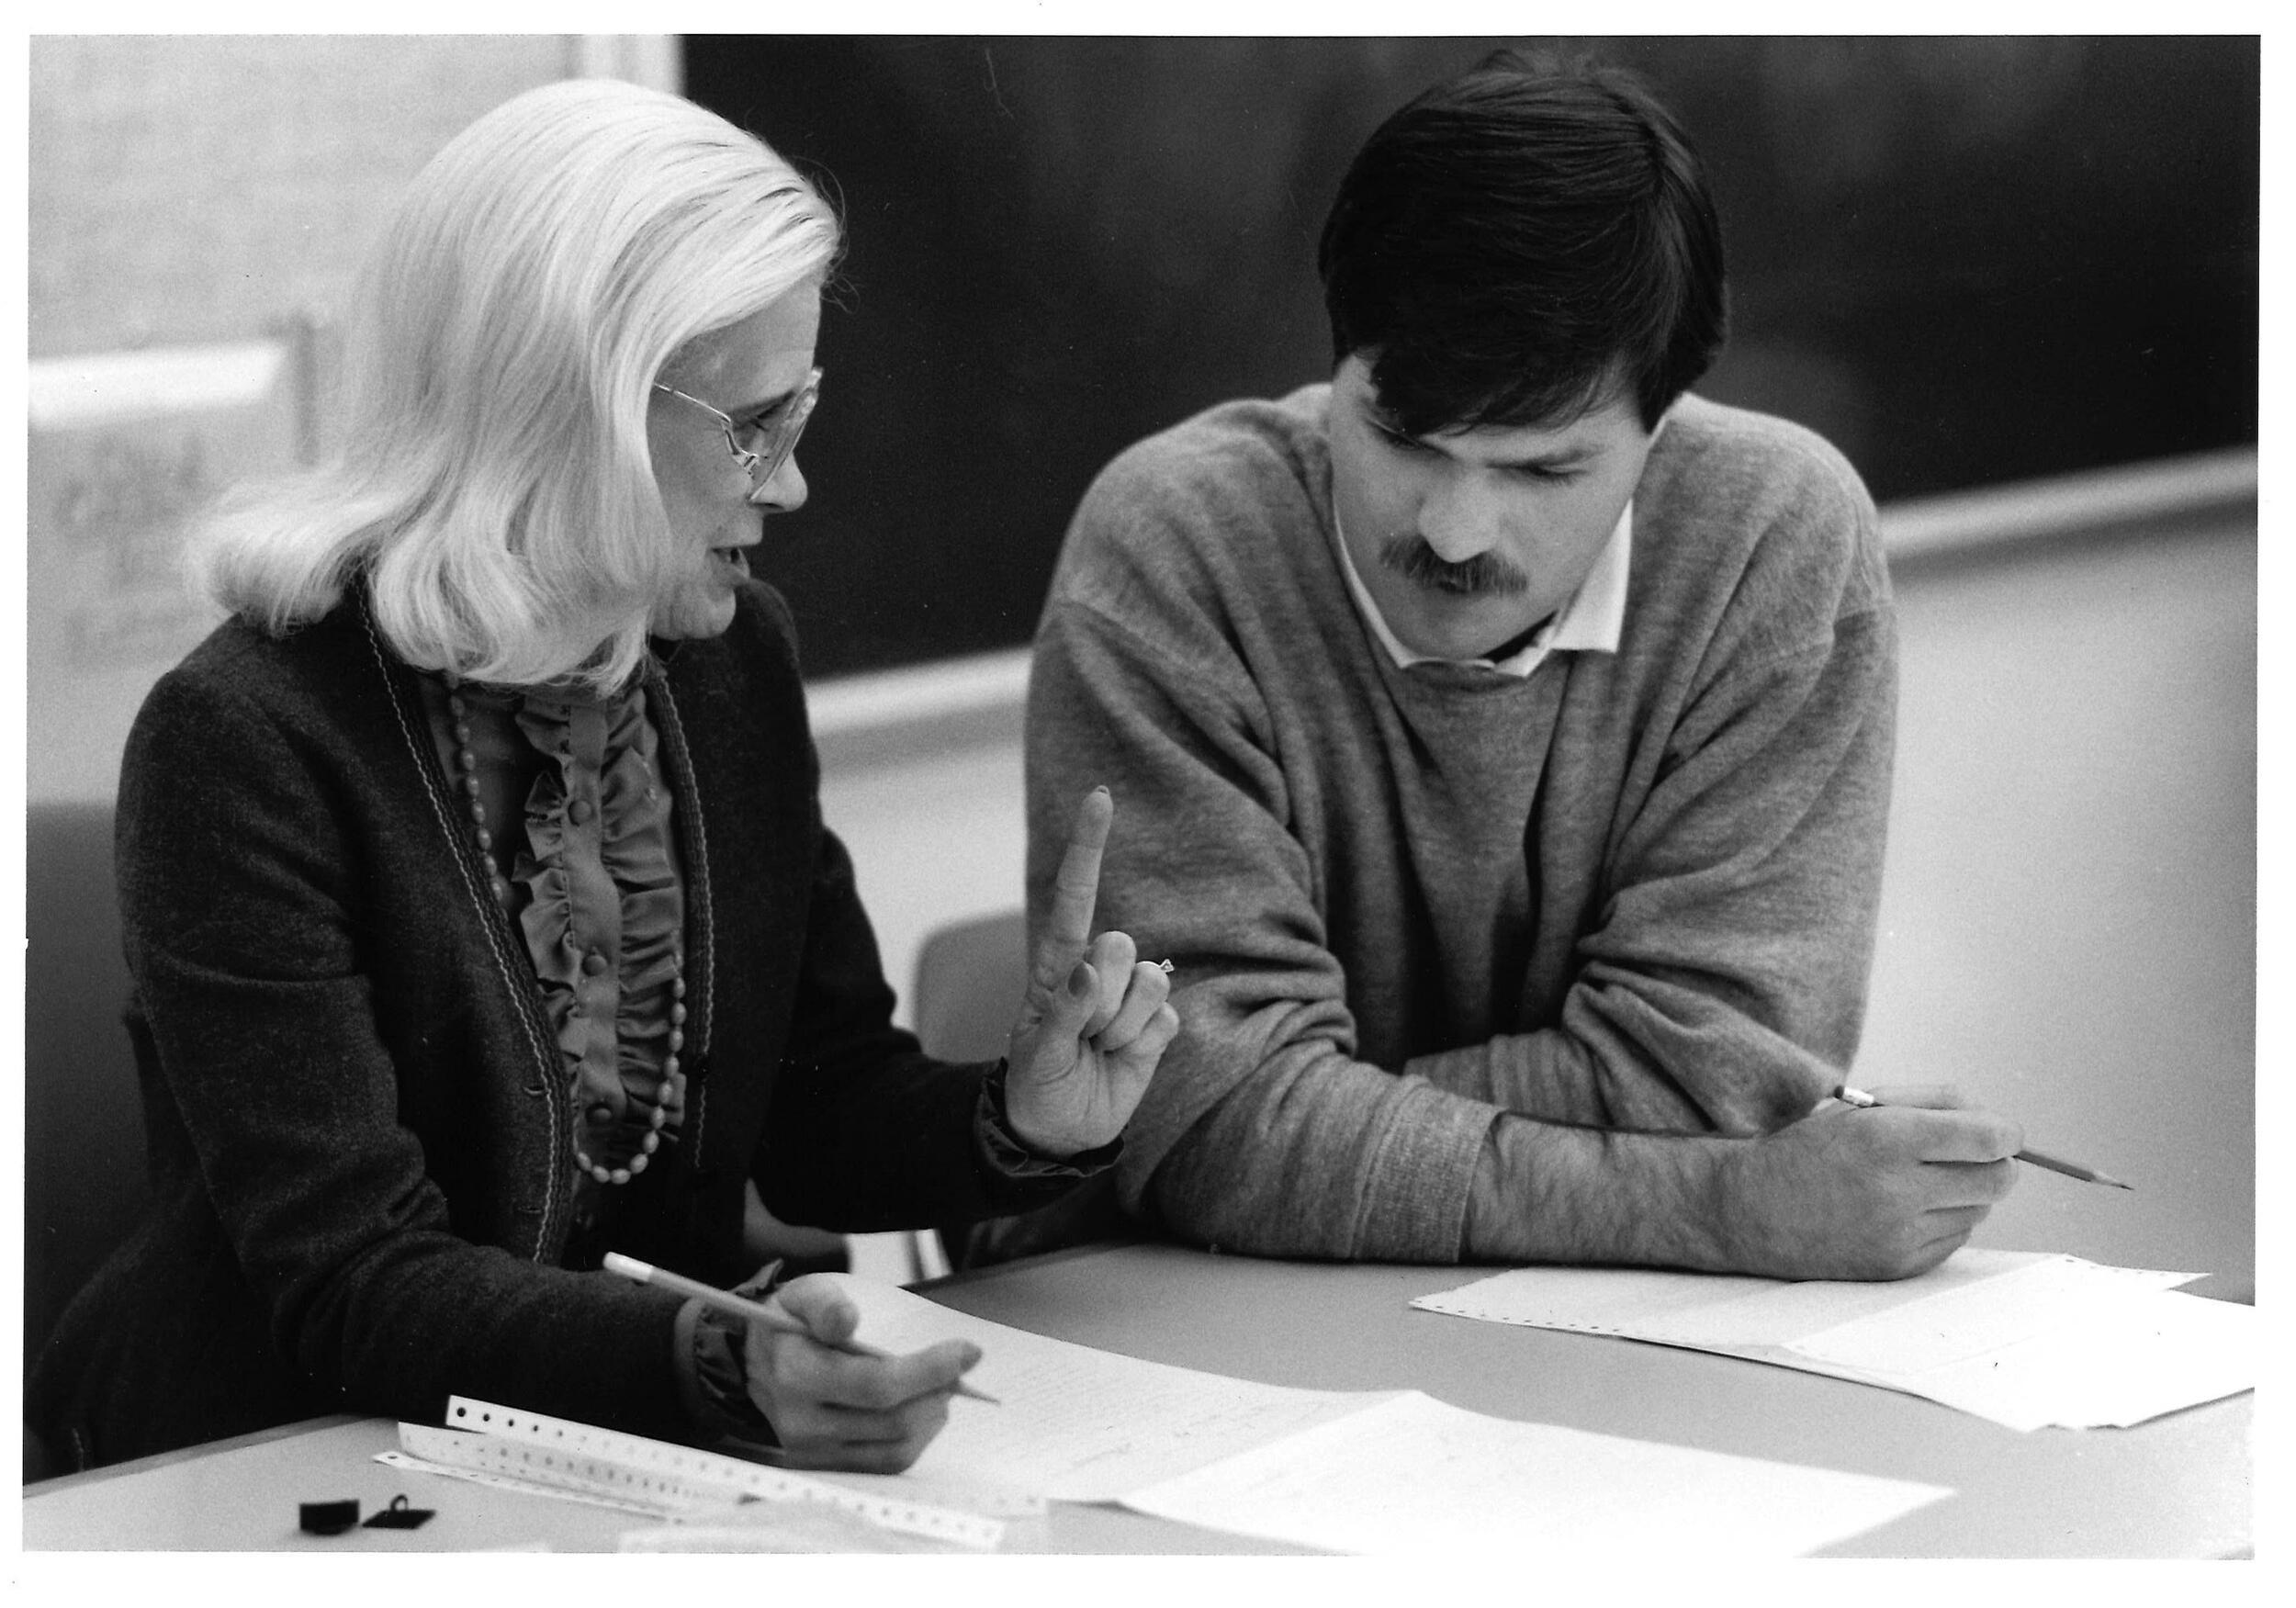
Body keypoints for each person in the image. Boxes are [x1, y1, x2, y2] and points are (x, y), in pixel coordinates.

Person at [27, 77, 1176, 1476]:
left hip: (628, 1457)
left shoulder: (727, 659)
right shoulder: (246, 741)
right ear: (565, 409)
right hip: (279, 1470)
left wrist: (1022, 1118)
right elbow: (356, 1284)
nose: (793, 485)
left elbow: (817, 1114)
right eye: (755, 427)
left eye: (798, 413)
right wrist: (711, 1368)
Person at [1019, 51, 2020, 1278]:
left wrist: (1293, 1123)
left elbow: (1711, 1077)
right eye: (1400, 436)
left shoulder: (1772, 539)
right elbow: (1216, 1127)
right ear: (1333, 365)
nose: (1453, 531)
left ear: (1662, 428)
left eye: (1544, 469)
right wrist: (1717, 1208)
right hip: (1201, 1341)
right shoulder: (1175, 548)